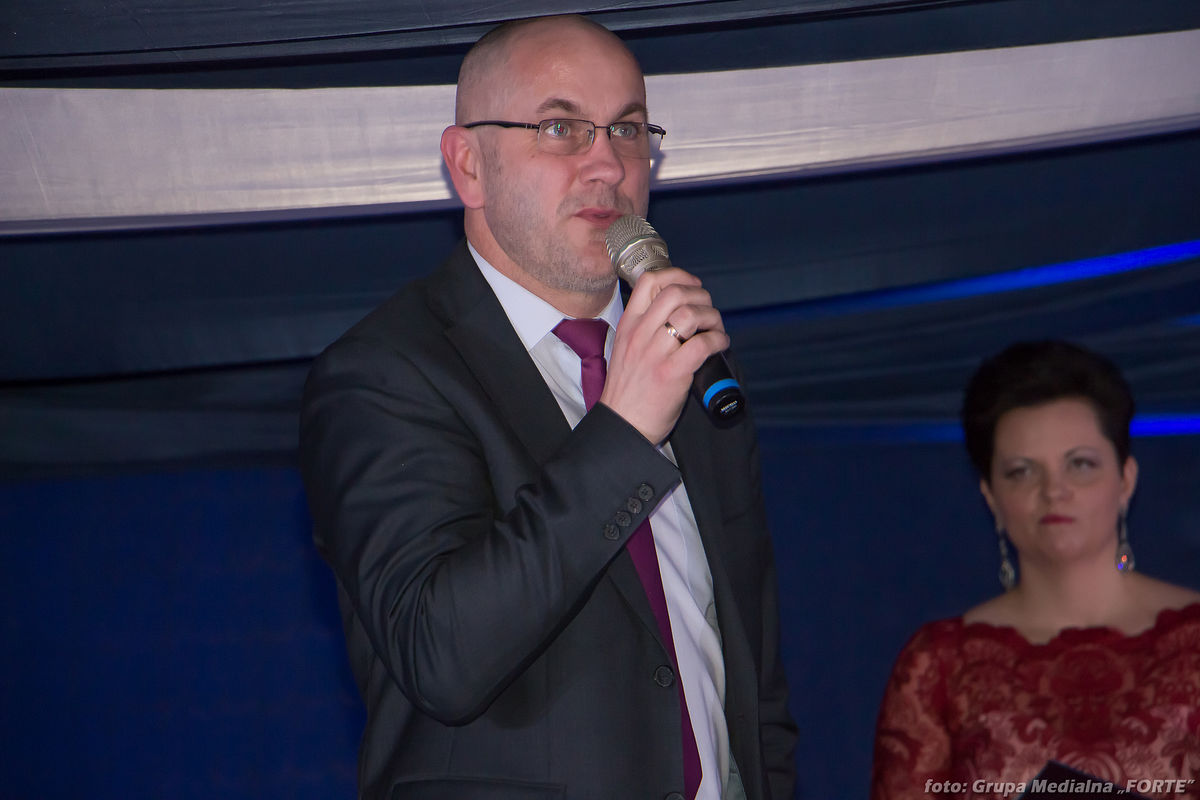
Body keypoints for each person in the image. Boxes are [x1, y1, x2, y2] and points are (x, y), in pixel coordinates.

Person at [299, 14, 797, 800]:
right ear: (469, 166)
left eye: (628, 129)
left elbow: (751, 660)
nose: (608, 162)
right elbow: (443, 654)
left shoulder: (690, 363)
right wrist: (623, 432)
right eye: (561, 128)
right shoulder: (385, 374)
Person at [870, 340, 1200, 800]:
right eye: (1022, 472)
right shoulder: (939, 665)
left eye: (1079, 465)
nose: (1053, 491)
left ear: (1126, 479)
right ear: (990, 495)